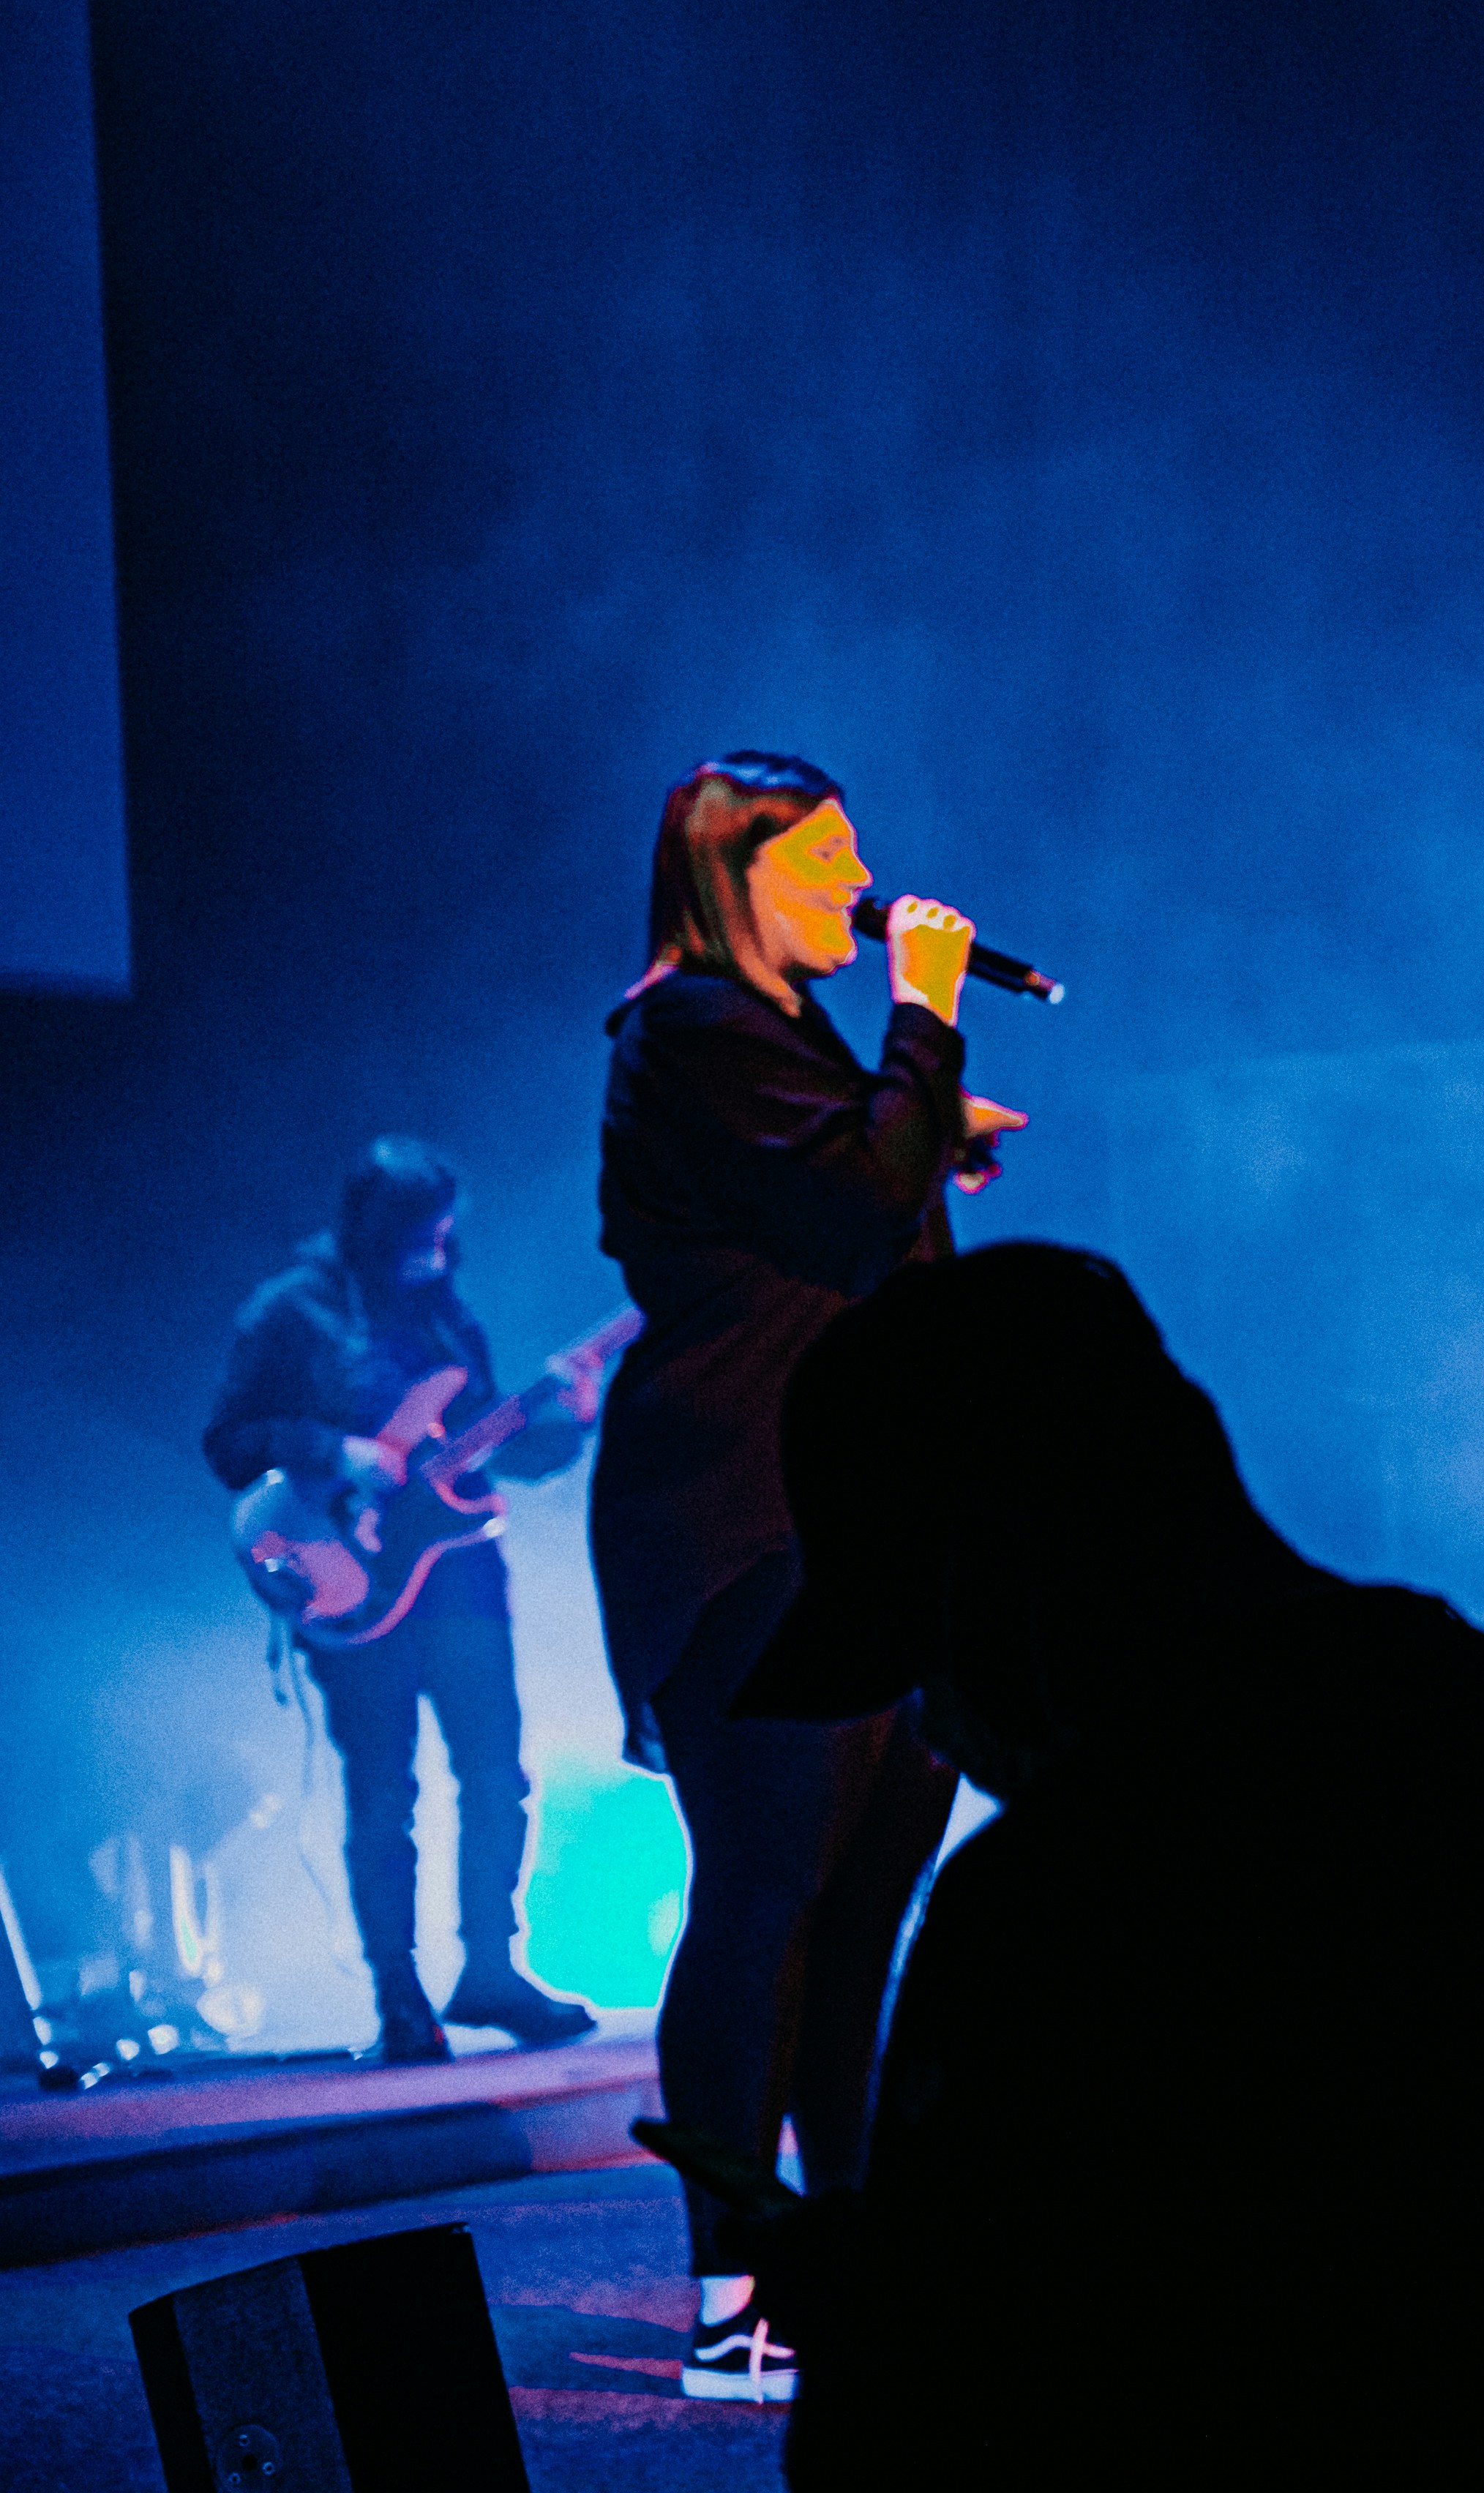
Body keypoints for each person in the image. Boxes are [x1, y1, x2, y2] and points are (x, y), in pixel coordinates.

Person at [718, 1242, 1484, 2490]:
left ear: (994, 1569)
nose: (929, 1725)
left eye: (919, 1652)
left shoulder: (1052, 1906)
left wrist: (879, 2308)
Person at [588, 751, 1024, 2404]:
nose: (863, 880)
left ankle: (853, 2252)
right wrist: (927, 1021)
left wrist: (933, 1125)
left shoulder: (780, 1042)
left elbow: (849, 1198)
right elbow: (847, 1210)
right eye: (828, 854)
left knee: (858, 1907)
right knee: (765, 1897)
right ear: (735, 875)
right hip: (744, 1510)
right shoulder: (689, 1024)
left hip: (863, 1505)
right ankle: (731, 2296)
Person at [202, 1137, 611, 2063]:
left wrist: (568, 1423)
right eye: (421, 1230)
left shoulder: (446, 1319)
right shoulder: (292, 1312)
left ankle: (492, 1970)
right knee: (384, 1788)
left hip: (461, 1575)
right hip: (347, 1572)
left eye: (445, 1230)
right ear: (374, 1226)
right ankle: (400, 1994)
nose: (437, 1244)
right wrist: (339, 1453)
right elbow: (229, 1440)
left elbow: (489, 1445)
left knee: (497, 1774)